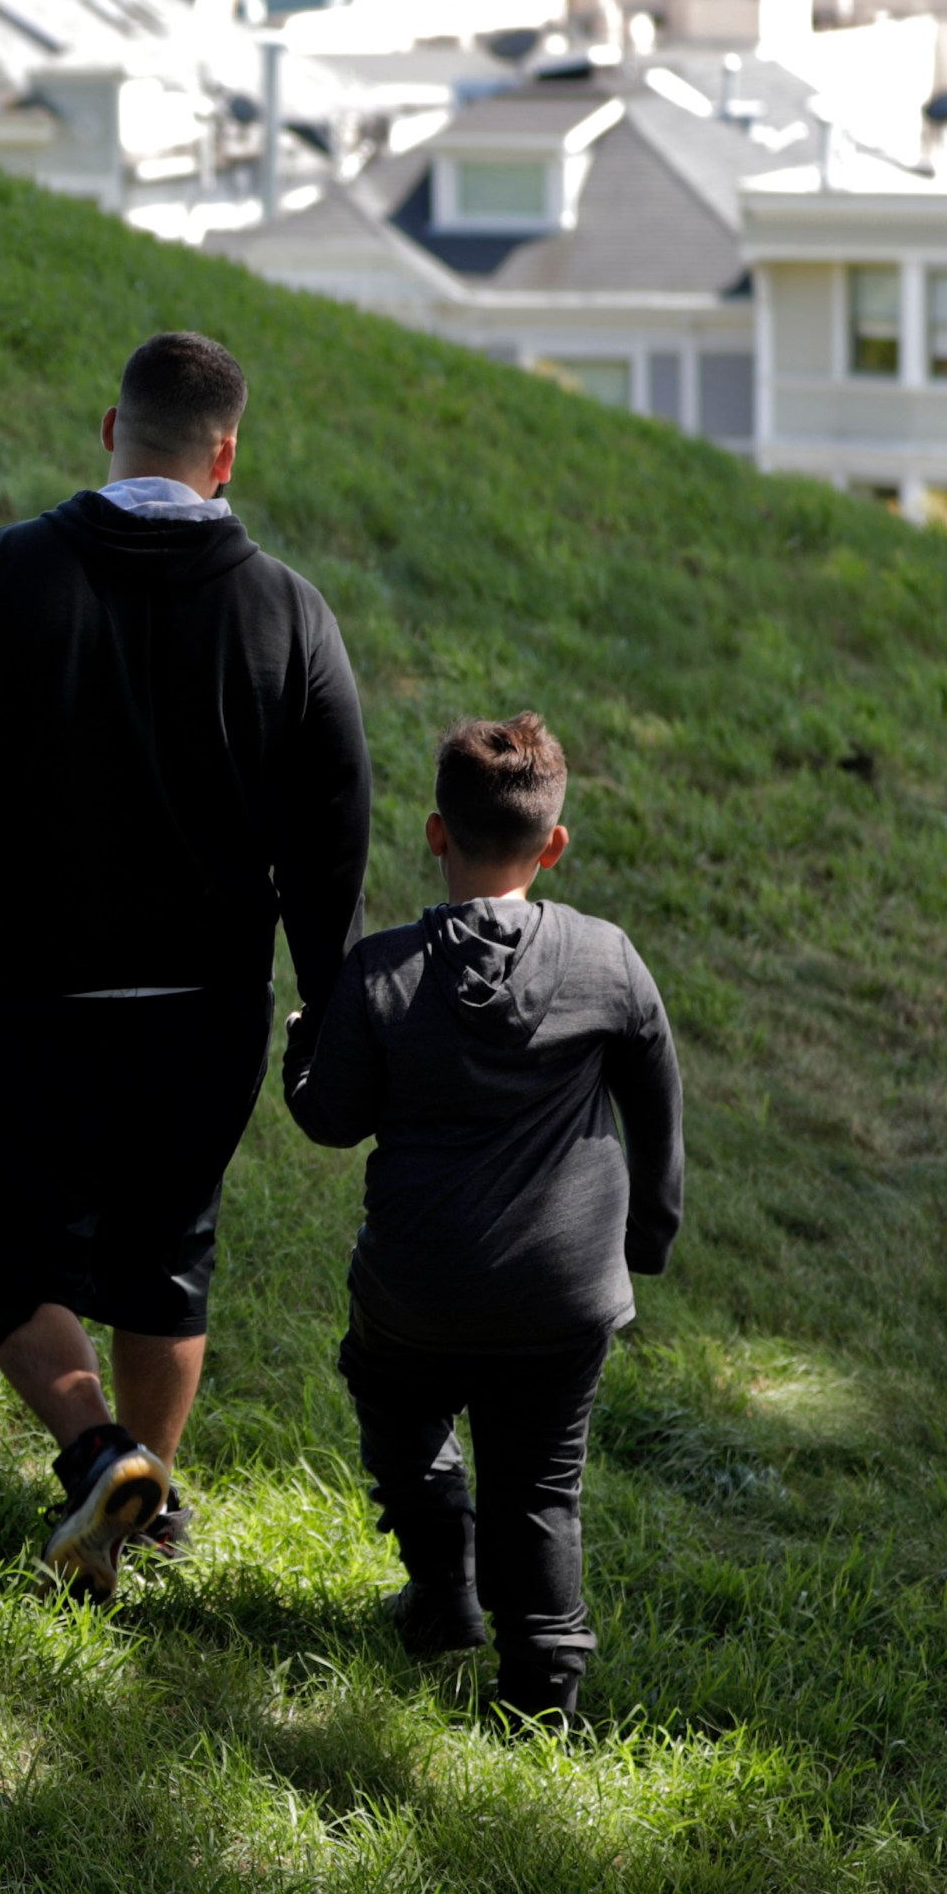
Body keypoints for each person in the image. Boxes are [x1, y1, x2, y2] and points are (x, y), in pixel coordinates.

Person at [0, 330, 370, 1594]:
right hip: (209, 1011)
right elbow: (331, 835)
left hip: (42, 999)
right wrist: (328, 996)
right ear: (227, 454)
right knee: (167, 1257)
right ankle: (137, 1515)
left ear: (111, 431)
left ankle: (101, 1456)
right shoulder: (290, 612)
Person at [284, 712, 684, 1729]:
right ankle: (541, 1696)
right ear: (552, 846)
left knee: (393, 1392)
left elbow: (331, 1119)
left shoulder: (382, 972)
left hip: (416, 1285)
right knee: (540, 1483)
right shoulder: (607, 960)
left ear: (435, 833)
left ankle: (444, 1587)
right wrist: (651, 1230)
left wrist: (303, 1042)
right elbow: (657, 1097)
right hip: (565, 1293)